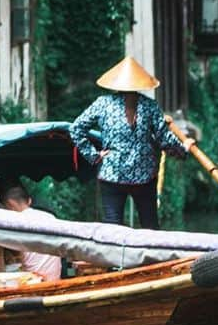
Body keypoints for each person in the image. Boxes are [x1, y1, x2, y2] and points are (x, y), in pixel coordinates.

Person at [70, 56, 193, 230]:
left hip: (112, 173)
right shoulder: (150, 106)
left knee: (112, 228)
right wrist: (184, 149)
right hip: (144, 175)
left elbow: (76, 128)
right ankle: (151, 257)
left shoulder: (102, 104)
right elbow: (165, 139)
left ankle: (113, 255)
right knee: (149, 226)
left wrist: (94, 156)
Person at [0, 177, 62, 282]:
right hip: (55, 280)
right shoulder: (49, 217)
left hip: (35, 284)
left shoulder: (15, 223)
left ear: (10, 203)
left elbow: (15, 258)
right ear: (29, 201)